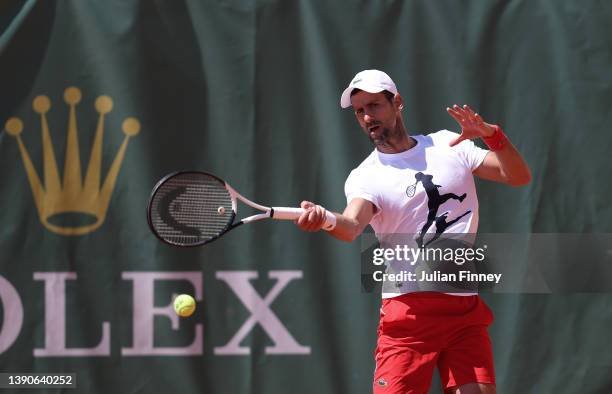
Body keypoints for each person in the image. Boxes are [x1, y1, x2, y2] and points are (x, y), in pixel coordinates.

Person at [294, 70, 531, 394]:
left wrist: (491, 134)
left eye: (374, 105)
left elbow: (516, 175)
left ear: (398, 103)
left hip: (464, 310)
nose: (367, 117)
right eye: (359, 111)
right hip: (407, 317)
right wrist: (325, 219)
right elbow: (351, 227)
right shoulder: (366, 177)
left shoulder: (449, 145)